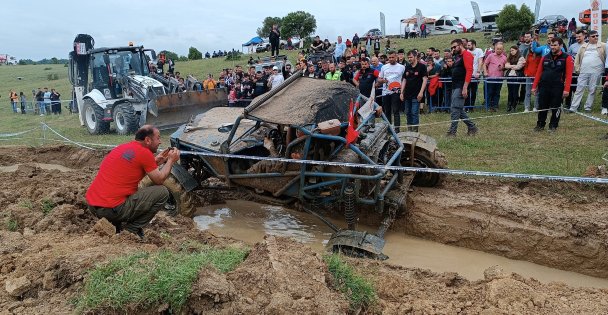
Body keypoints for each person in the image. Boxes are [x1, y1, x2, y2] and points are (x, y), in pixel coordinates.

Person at [85, 125, 181, 238]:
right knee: (162, 192)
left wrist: (155, 162)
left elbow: (131, 171)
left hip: (93, 205)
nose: (160, 142)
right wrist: (171, 160)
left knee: (132, 191)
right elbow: (159, 180)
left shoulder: (124, 147)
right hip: (110, 209)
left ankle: (116, 224)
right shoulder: (145, 153)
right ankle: (131, 230)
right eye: (158, 138)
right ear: (148, 140)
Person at [532, 37, 573, 132]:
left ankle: (553, 125)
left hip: (557, 87)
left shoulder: (567, 58)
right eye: (551, 45)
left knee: (555, 107)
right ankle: (540, 124)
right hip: (544, 86)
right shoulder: (545, 57)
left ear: (561, 45)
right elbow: (538, 73)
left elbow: (569, 75)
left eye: (555, 45)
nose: (553, 47)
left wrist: (567, 89)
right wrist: (534, 86)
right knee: (542, 106)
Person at [447, 39, 478, 136]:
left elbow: (469, 71)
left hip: (461, 86)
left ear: (460, 45)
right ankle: (472, 127)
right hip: (456, 85)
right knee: (458, 109)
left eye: (455, 47)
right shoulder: (458, 56)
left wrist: (465, 87)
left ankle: (452, 132)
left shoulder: (466, 55)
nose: (453, 49)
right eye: (452, 47)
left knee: (455, 108)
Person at [569, 30, 605, 113]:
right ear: (588, 37)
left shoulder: (603, 45)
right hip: (583, 71)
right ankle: (573, 108)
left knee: (592, 89)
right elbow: (577, 58)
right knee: (579, 89)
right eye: (593, 36)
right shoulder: (583, 46)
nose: (596, 37)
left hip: (597, 71)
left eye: (597, 36)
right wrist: (577, 69)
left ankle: (587, 108)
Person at [400, 50, 428, 132]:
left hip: (416, 94)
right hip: (407, 94)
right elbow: (404, 80)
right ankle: (409, 130)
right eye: (408, 57)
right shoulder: (407, 67)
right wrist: (401, 92)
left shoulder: (422, 67)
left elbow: (425, 80)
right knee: (408, 112)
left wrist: (421, 92)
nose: (409, 59)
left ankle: (415, 131)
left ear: (416, 57)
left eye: (411, 57)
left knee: (414, 113)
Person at [378, 51, 405, 132]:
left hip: (396, 92)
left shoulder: (402, 67)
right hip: (385, 92)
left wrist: (403, 91)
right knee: (387, 111)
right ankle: (389, 129)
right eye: (389, 57)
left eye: (393, 57)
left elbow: (404, 79)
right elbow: (379, 79)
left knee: (396, 111)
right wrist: (383, 81)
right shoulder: (384, 67)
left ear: (396, 57)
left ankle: (397, 130)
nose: (391, 59)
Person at [483, 42, 506, 111]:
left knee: (497, 93)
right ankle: (488, 106)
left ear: (503, 50)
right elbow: (484, 64)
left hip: (499, 78)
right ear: (495, 49)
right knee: (489, 92)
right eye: (497, 49)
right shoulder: (490, 56)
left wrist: (503, 68)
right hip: (490, 77)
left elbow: (506, 67)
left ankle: (495, 106)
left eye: (500, 49)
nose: (499, 50)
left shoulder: (504, 57)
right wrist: (485, 72)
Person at [504, 46, 526, 112]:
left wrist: (510, 66)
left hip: (516, 76)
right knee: (510, 91)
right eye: (510, 51)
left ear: (517, 50)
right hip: (509, 76)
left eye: (513, 50)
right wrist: (513, 66)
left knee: (515, 91)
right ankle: (509, 105)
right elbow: (506, 66)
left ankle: (514, 105)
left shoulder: (521, 58)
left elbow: (519, 67)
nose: (511, 52)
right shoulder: (509, 58)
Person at [467, 40, 484, 108]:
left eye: (469, 45)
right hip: (468, 74)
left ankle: (471, 106)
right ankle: (467, 106)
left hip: (475, 74)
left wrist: (478, 71)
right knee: (467, 91)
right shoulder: (467, 51)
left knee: (473, 91)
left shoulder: (479, 50)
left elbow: (480, 61)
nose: (467, 46)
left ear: (473, 44)